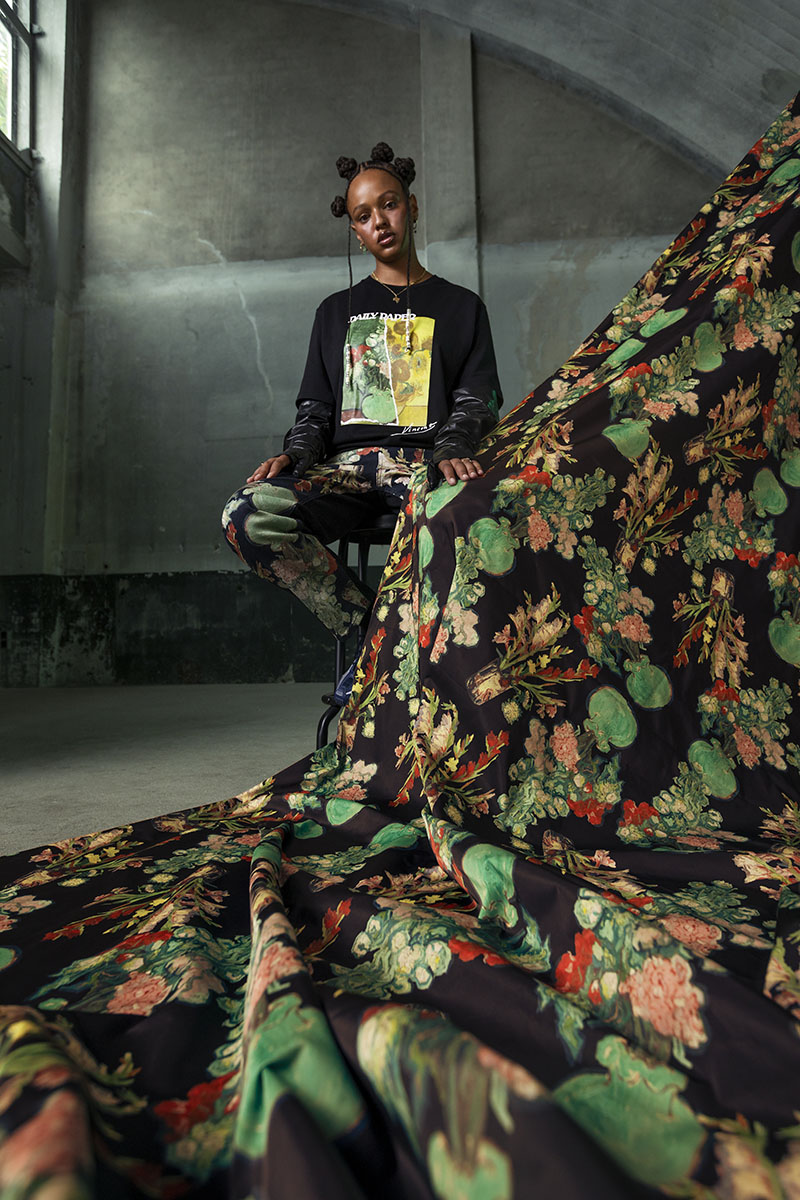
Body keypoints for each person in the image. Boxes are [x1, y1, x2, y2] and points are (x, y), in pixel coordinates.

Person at [221, 142, 503, 700]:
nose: (380, 222)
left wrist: (452, 447)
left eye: (389, 205)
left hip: (423, 466)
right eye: (364, 215)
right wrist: (295, 454)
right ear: (355, 231)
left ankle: (439, 667)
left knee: (471, 514)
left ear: (412, 207)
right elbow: (315, 409)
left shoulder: (462, 307)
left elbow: (477, 399)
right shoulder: (334, 312)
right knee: (245, 513)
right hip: (343, 470)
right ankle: (369, 635)